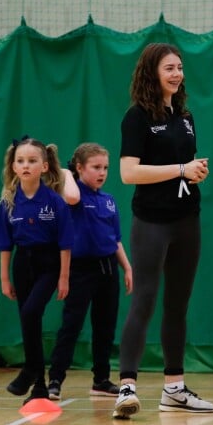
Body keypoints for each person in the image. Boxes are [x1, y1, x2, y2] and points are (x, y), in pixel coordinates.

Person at [113, 42, 213, 419]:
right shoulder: (136, 117)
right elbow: (128, 173)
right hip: (151, 223)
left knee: (178, 305)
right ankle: (126, 387)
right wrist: (180, 169)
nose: (177, 74)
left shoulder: (184, 115)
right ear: (152, 72)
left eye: (180, 67)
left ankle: (174, 388)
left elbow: (184, 164)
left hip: (187, 219)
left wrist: (195, 170)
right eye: (169, 68)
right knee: (144, 300)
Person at [47, 143, 133, 401]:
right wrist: (63, 171)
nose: (102, 172)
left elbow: (115, 239)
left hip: (108, 269)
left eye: (105, 167)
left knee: (105, 327)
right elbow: (72, 196)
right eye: (96, 167)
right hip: (80, 270)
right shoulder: (71, 195)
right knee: (71, 326)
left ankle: (101, 380)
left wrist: (127, 267)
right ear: (79, 168)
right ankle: (55, 380)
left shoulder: (108, 200)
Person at [0, 137, 75, 404]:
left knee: (32, 311)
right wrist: (4, 277)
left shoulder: (55, 201)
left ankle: (31, 368)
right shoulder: (7, 202)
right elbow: (5, 244)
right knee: (28, 321)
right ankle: (39, 386)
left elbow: (65, 242)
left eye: (32, 161)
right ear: (14, 166)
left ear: (43, 166)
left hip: (49, 264)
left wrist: (64, 277)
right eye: (20, 161)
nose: (25, 165)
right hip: (22, 263)